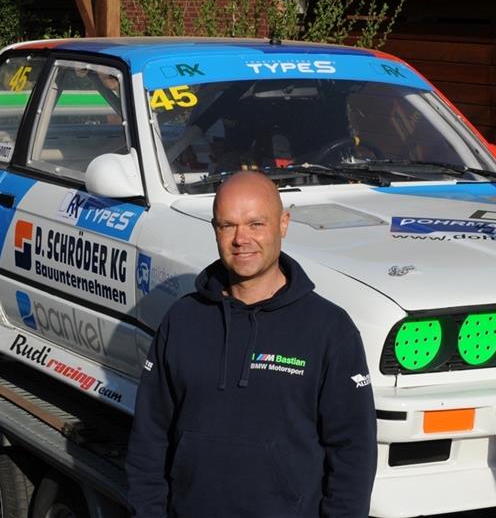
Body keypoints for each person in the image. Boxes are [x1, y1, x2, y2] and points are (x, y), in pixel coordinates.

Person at [125, 171, 377, 518]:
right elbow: (149, 440)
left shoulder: (329, 329)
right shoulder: (182, 320)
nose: (241, 239)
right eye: (227, 225)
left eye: (256, 223)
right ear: (215, 230)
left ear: (283, 224)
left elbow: (353, 454)